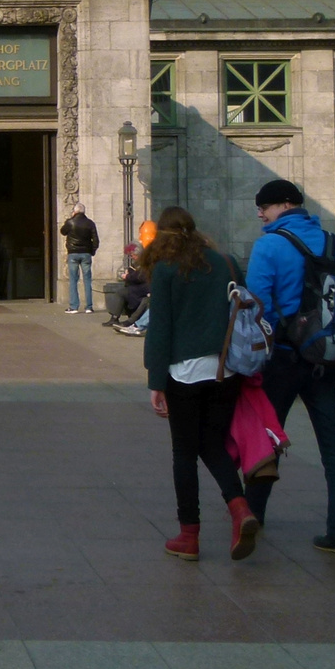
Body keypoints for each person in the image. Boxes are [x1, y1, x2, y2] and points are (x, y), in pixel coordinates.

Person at [241, 179, 335, 556]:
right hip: (325, 358)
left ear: (282, 206)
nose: (260, 214)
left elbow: (255, 305)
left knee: (268, 438)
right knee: (333, 443)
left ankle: (253, 516)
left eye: (263, 207)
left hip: (282, 358)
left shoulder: (269, 246)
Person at [142, 206, 261, 562]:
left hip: (184, 373)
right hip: (226, 369)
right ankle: (240, 509)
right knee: (211, 441)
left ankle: (188, 535)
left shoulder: (165, 270)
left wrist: (155, 380)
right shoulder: (225, 262)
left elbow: (160, 328)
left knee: (184, 451)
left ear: (161, 236)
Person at [60, 202, 98, 314]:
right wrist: (92, 251)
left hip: (73, 253)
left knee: (73, 279)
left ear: (75, 211)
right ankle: (89, 306)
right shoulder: (90, 223)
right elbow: (96, 240)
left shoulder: (70, 222)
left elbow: (63, 231)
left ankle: (74, 306)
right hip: (86, 253)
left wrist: (70, 219)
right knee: (87, 280)